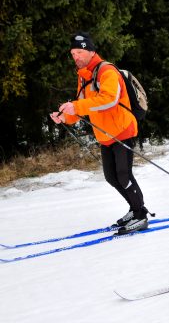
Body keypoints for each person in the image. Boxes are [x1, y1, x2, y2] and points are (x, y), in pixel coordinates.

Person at [50, 31, 149, 234]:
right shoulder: (84, 77)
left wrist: (76, 107)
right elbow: (82, 107)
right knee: (112, 177)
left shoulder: (107, 71)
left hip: (122, 129)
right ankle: (134, 208)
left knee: (123, 175)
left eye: (78, 52)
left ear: (90, 51)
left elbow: (109, 99)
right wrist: (65, 117)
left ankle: (141, 215)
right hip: (105, 134)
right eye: (72, 53)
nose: (75, 56)